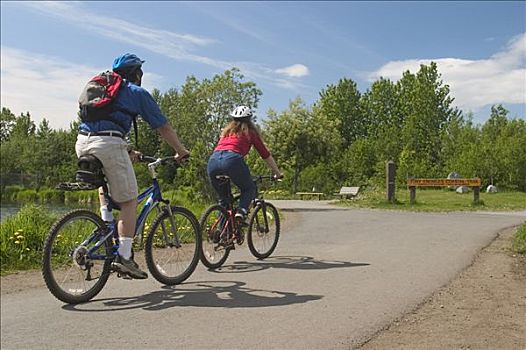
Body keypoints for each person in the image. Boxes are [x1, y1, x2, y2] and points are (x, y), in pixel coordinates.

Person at [75, 53, 189, 279]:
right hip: (108, 144)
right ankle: (124, 257)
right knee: (129, 201)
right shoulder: (136, 92)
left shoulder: (104, 89)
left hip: (82, 142)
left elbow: (102, 126)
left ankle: (106, 228)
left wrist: (127, 150)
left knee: (104, 182)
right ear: (137, 73)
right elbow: (163, 127)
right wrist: (181, 151)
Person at [207, 106, 282, 225]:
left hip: (213, 161)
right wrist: (277, 173)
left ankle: (222, 236)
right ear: (250, 120)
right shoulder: (250, 133)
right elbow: (265, 155)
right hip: (232, 160)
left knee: (224, 201)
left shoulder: (226, 133)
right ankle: (241, 212)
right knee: (249, 188)